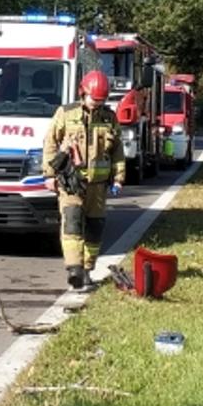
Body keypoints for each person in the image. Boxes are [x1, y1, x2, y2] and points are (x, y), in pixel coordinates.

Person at [42, 71, 125, 290]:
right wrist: (49, 175)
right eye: (94, 98)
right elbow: (50, 144)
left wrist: (118, 178)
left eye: (101, 100)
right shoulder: (65, 114)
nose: (97, 103)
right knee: (72, 225)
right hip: (71, 182)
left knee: (94, 230)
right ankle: (74, 270)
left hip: (98, 187)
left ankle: (87, 270)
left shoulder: (109, 118)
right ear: (83, 92)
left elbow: (117, 151)